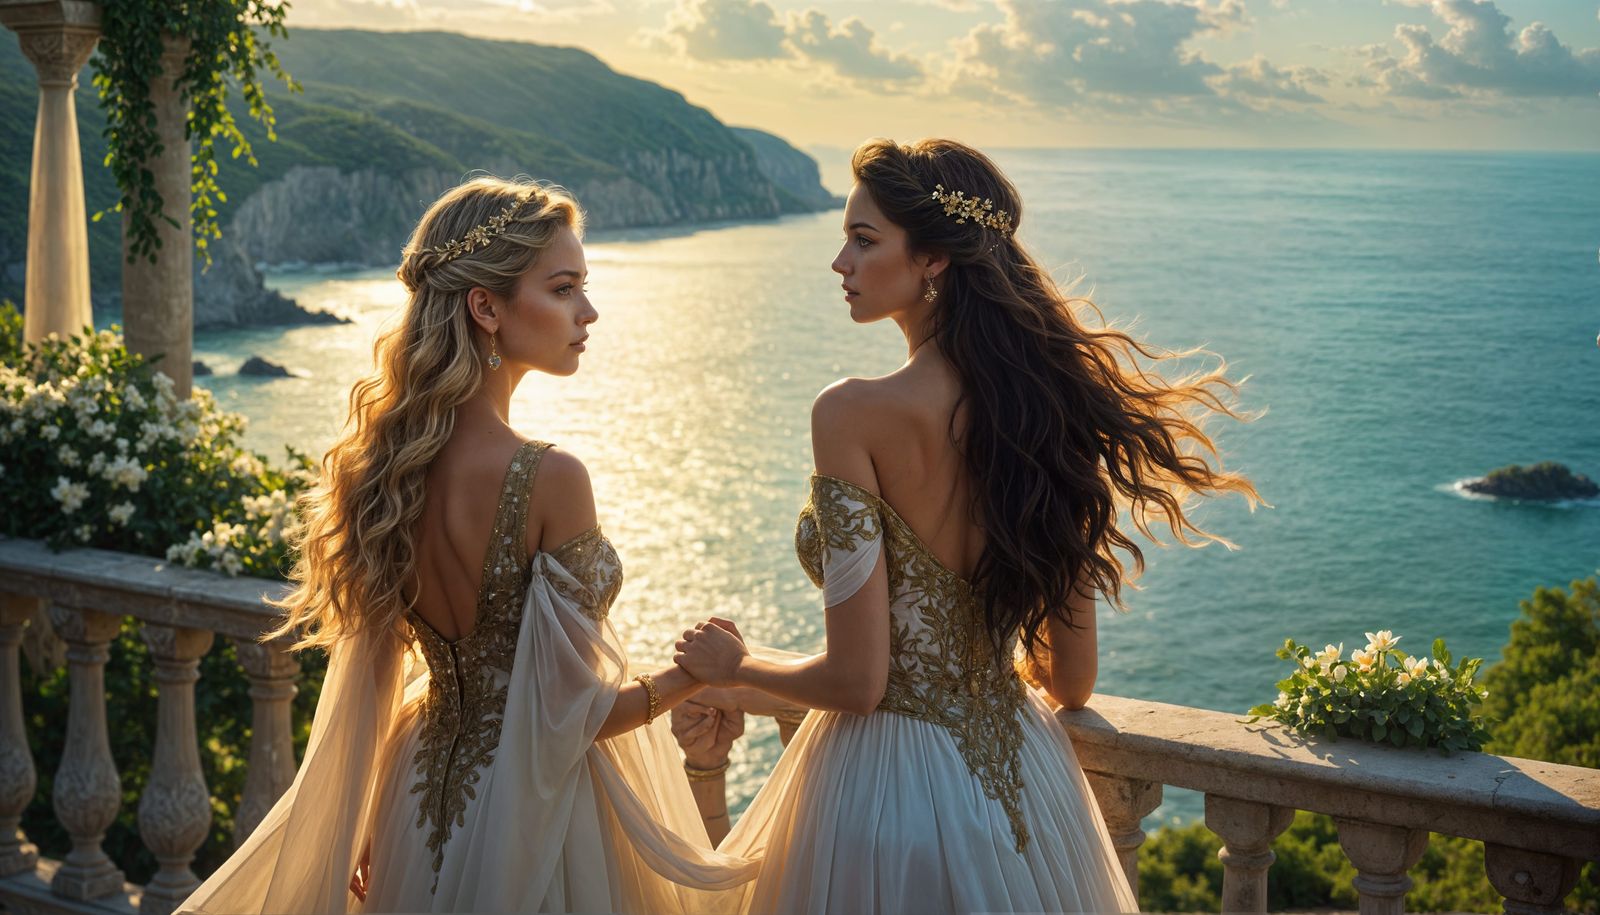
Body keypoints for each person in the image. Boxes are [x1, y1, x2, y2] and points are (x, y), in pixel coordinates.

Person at [675, 138, 1262, 914]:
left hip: (884, 802)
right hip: (1027, 786)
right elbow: (1071, 680)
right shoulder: (1050, 415)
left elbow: (857, 681)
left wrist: (737, 664)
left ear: (932, 260)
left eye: (863, 239)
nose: (840, 262)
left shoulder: (850, 413)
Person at [180, 177, 756, 913]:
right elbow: (571, 719)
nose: (588, 311)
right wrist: (693, 674)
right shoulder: (550, 477)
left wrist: (362, 813)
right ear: (486, 307)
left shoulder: (385, 473)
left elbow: (373, 683)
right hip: (536, 825)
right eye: (563, 288)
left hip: (413, 802)